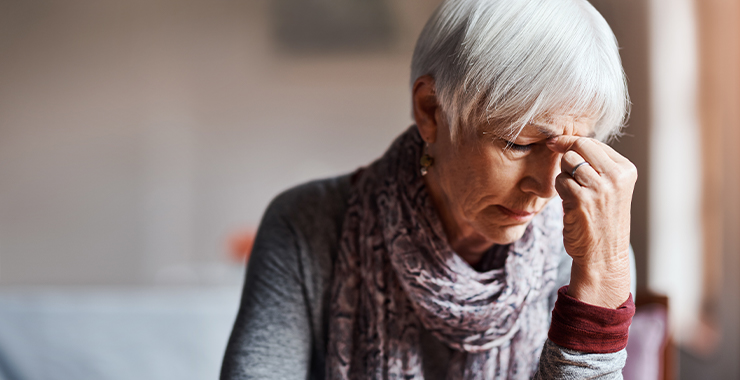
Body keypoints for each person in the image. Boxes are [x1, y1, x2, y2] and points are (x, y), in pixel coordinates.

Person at [221, 0, 638, 379]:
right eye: (519, 144)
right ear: (431, 111)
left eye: (570, 152)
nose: (547, 187)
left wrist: (602, 282)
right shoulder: (305, 226)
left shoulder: (585, 249)